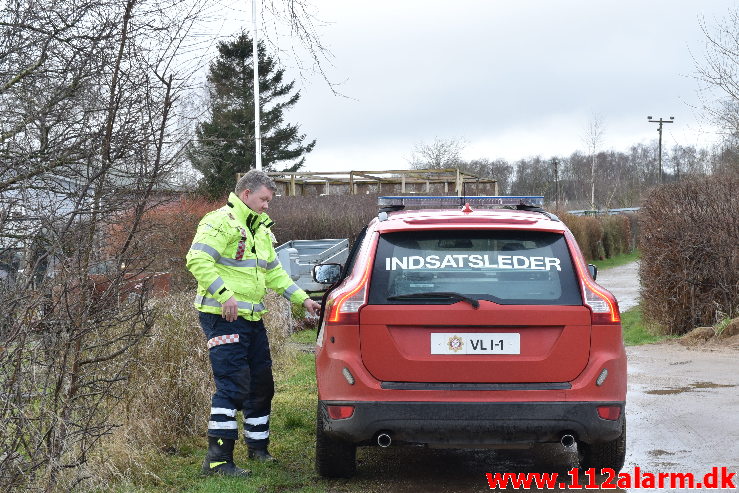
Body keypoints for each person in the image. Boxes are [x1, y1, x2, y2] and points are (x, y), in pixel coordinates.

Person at [186, 170, 321, 477]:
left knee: (261, 386)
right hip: (223, 317)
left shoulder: (259, 230)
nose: (267, 206)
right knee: (233, 387)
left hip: (252, 318)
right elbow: (197, 260)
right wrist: (224, 295)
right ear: (246, 194)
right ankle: (218, 462)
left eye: (269, 201)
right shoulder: (219, 221)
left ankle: (258, 451)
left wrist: (303, 299)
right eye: (264, 199)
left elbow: (275, 273)